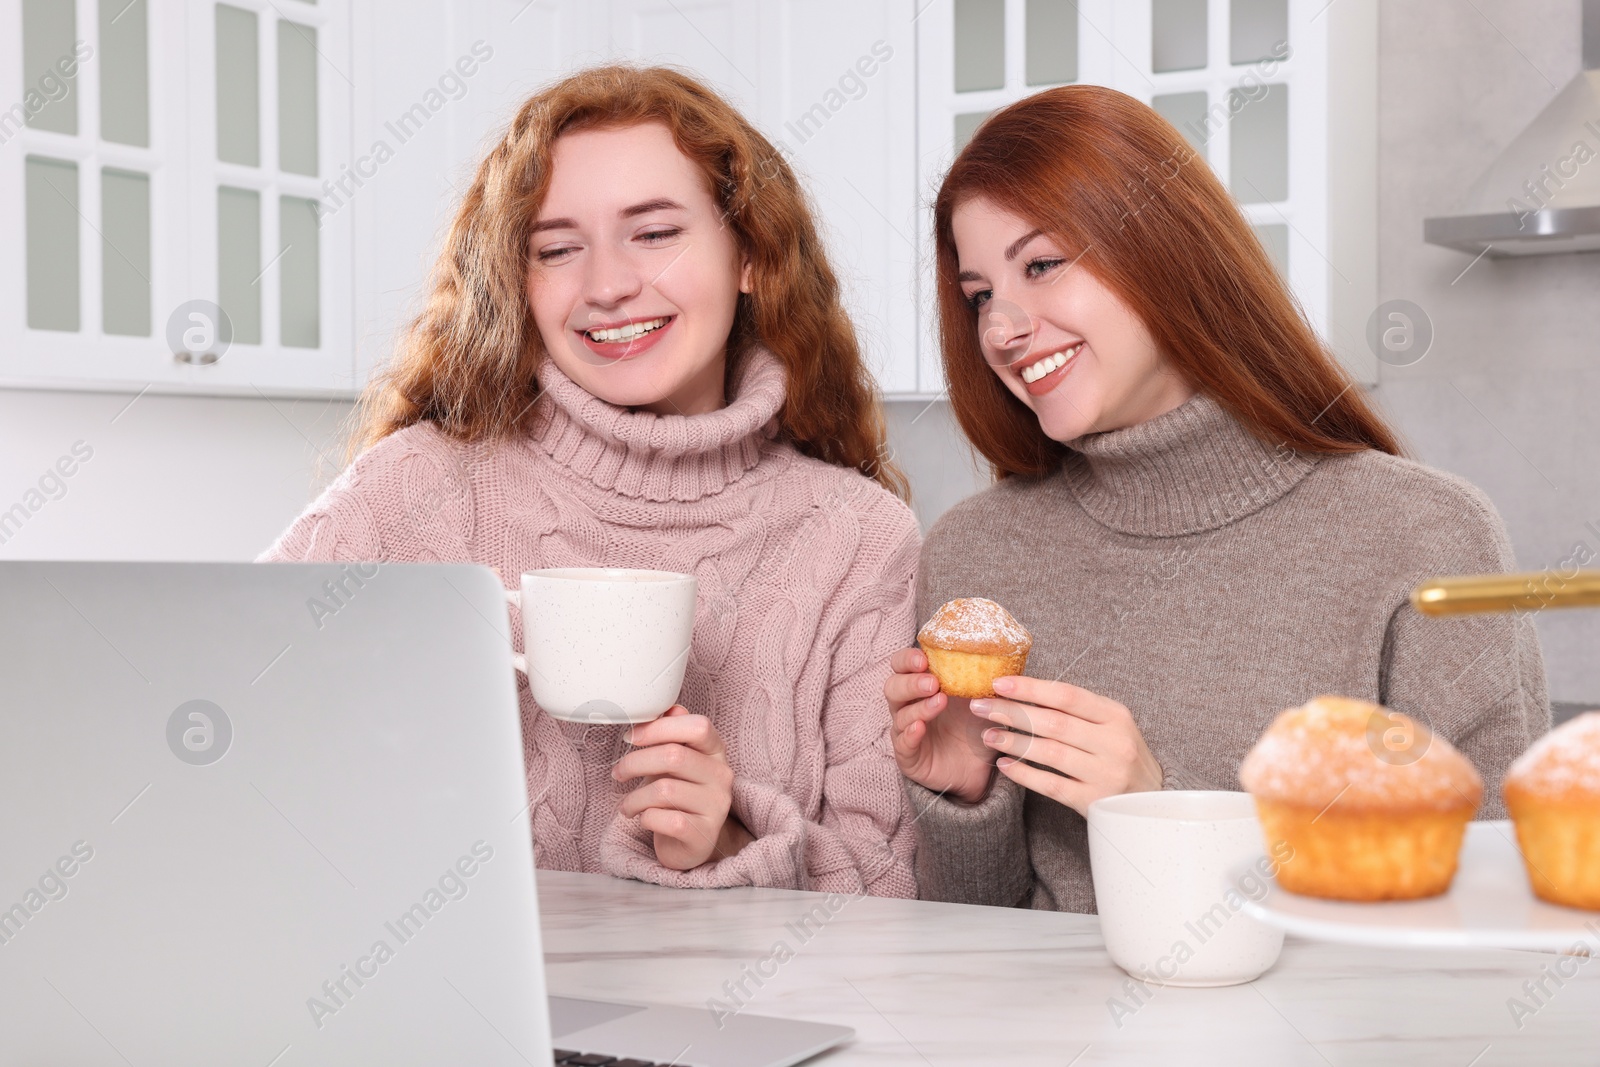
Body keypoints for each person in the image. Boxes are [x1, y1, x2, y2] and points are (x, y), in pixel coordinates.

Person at [887, 85, 1549, 913]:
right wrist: (964, 802)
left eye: (1043, 264)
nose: (1001, 330)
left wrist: (1157, 807)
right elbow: (973, 951)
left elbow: (1489, 911)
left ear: (1168, 250)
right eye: (980, 293)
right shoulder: (975, 554)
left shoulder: (1424, 537)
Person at [262, 65, 918, 897]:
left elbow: (890, 894)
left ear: (750, 254)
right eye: (558, 249)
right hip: (440, 1014)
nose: (606, 286)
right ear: (518, 281)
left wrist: (728, 842)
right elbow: (219, 724)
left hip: (734, 1022)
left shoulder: (858, 538)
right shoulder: (414, 488)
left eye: (653, 233)